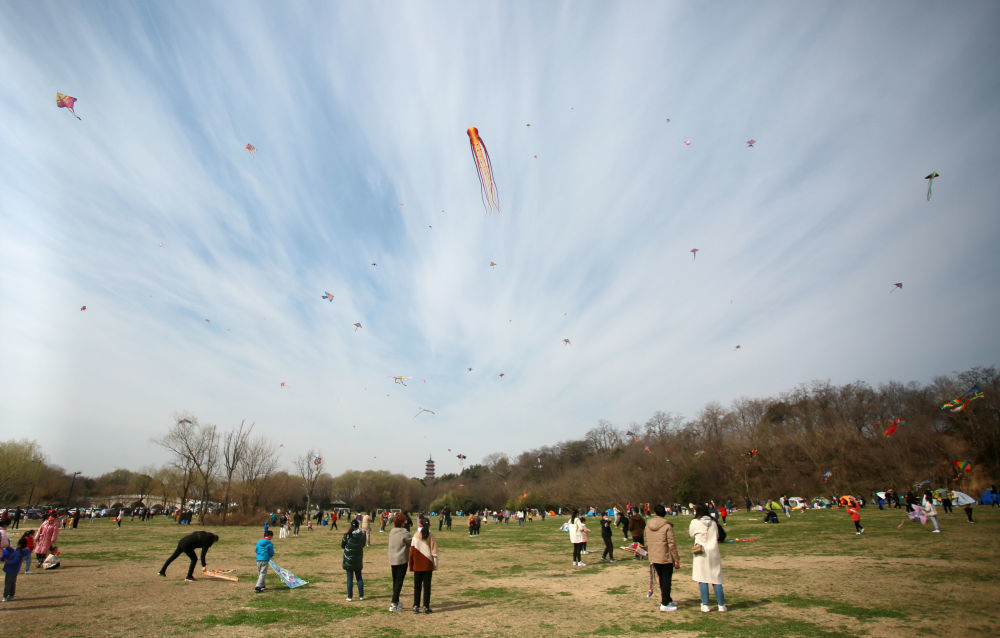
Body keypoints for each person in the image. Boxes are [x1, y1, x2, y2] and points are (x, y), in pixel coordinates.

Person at [689, 504, 726, 613]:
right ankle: (721, 605)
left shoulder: (695, 522)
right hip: (713, 551)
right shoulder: (714, 523)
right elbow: (717, 536)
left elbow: (692, 534)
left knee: (702, 578)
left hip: (701, 551)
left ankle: (705, 604)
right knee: (716, 579)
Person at [646, 504, 681, 611]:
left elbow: (646, 540)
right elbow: (671, 544)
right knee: (666, 580)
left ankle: (667, 599)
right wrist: (676, 559)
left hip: (654, 556)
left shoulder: (648, 525)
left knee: (662, 579)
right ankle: (665, 603)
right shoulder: (667, 526)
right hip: (665, 556)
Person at [408, 517, 438, 613]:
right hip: (428, 563)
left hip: (417, 564)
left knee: (417, 586)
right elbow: (434, 551)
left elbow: (411, 552)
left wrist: (411, 565)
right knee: (427, 586)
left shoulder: (416, 536)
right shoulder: (431, 536)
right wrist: (435, 564)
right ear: (429, 525)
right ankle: (426, 606)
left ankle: (416, 605)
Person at [388, 512, 412, 611]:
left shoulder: (392, 531)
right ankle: (393, 603)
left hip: (393, 559)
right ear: (403, 522)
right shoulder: (404, 532)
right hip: (401, 560)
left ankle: (396, 601)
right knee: (399, 581)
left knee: (395, 580)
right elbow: (411, 542)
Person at [341, 519, 366, 601]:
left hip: (349, 559)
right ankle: (361, 595)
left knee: (349, 578)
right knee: (359, 577)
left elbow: (342, 545)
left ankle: (349, 596)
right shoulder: (362, 535)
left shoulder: (347, 535)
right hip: (358, 559)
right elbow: (363, 544)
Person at [2, 537, 31, 601]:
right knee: (12, 583)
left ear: (20, 544)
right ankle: (11, 596)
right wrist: (7, 546)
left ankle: (5, 596)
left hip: (11, 570)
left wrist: (7, 562)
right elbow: (13, 551)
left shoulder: (19, 553)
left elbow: (15, 560)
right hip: (15, 570)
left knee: (8, 583)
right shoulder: (20, 551)